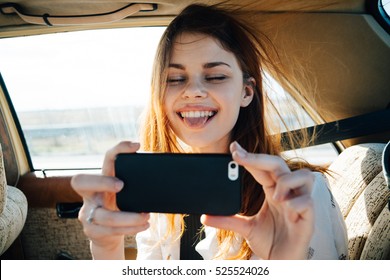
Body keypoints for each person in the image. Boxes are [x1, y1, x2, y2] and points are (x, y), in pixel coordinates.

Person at [71, 3, 348, 260]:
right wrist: (106, 247)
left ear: (246, 92)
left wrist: (285, 265)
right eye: (175, 79)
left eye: (216, 76)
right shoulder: (161, 199)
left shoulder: (299, 195)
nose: (192, 91)